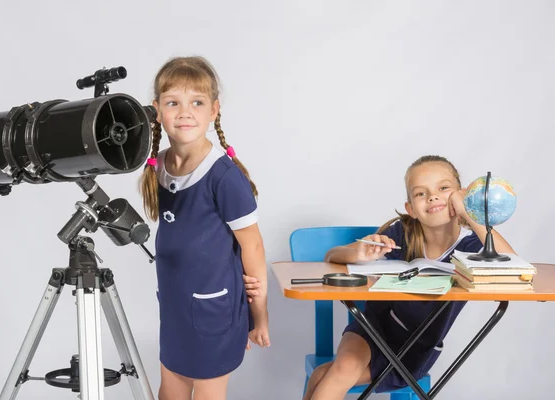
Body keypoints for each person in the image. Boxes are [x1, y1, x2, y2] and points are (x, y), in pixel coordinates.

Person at [303, 155, 516, 400]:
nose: (433, 197)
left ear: (461, 195)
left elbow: (513, 268)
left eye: (444, 188)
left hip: (416, 349)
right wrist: (358, 253)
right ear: (411, 209)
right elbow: (332, 255)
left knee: (322, 376)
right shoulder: (401, 233)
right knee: (341, 370)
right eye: (420, 194)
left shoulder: (473, 247)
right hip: (372, 328)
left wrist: (470, 214)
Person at [139, 56, 270, 400]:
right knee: (170, 390)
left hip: (214, 312)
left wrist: (259, 316)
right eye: (173, 103)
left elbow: (252, 248)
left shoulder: (224, 177)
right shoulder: (159, 166)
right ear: (157, 110)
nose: (185, 112)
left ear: (213, 110)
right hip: (175, 307)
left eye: (196, 102)